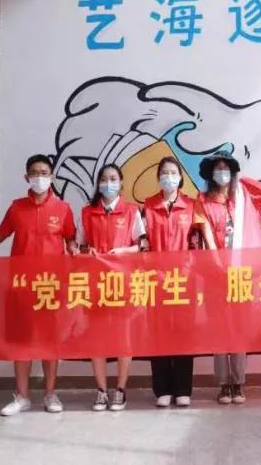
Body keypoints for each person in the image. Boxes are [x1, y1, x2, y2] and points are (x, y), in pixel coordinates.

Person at [0, 154, 77, 416]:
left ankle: (50, 394)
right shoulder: (17, 208)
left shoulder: (63, 209)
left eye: (44, 173)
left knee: (49, 342)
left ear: (52, 176)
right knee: (21, 341)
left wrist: (75, 249)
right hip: (21, 286)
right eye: (34, 173)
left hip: (50, 287)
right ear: (26, 177)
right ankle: (22, 396)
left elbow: (70, 239)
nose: (39, 177)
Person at [78, 164, 145, 411]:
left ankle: (121, 390)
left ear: (121, 182)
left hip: (123, 281)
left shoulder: (131, 211)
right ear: (98, 183)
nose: (109, 183)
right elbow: (79, 245)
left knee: (123, 336)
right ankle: (101, 391)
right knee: (97, 337)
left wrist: (124, 251)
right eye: (104, 179)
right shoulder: (87, 212)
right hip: (95, 282)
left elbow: (142, 245)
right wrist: (87, 251)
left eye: (113, 179)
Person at [143, 157, 197, 408]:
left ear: (180, 177)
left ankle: (183, 389)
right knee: (159, 333)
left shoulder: (191, 206)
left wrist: (186, 270)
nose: (169, 177)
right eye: (164, 172)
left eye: (173, 172)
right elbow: (143, 244)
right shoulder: (148, 206)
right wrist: (153, 271)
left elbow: (196, 244)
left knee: (184, 333)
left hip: (183, 280)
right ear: (158, 178)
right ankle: (162, 389)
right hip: (156, 280)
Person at [194, 151, 248, 405]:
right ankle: (224, 384)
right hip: (214, 274)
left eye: (226, 168)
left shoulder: (241, 200)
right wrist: (217, 263)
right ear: (211, 174)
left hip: (241, 274)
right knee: (218, 329)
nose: (222, 173)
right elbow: (206, 234)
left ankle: (239, 383)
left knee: (238, 328)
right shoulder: (202, 201)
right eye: (218, 168)